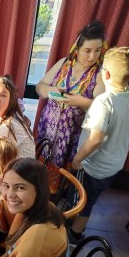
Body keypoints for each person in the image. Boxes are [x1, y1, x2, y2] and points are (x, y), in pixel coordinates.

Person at [69, 47, 129, 244]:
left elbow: (96, 138)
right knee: (93, 197)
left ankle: (74, 235)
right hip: (115, 164)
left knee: (85, 201)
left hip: (94, 166)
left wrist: (78, 159)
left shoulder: (104, 102)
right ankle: (77, 225)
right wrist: (125, 137)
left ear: (105, 73)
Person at [35, 21, 107, 192]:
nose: (92, 56)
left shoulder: (99, 74)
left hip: (70, 139)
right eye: (87, 51)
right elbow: (40, 87)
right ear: (77, 48)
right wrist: (53, 91)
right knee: (38, 175)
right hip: (47, 131)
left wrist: (80, 102)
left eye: (97, 51)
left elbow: (101, 108)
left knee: (58, 186)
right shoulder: (63, 64)